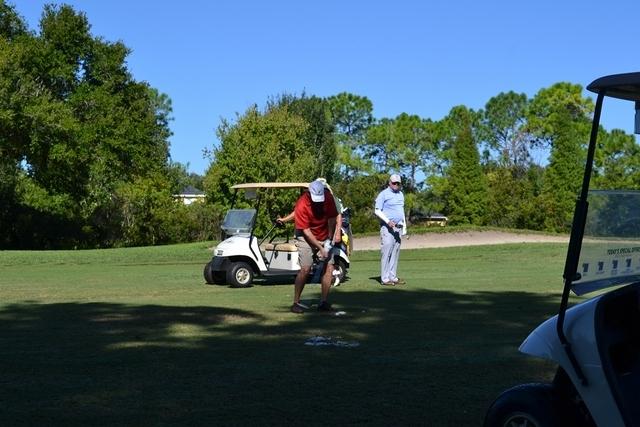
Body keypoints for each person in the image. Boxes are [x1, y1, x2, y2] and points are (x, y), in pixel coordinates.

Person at [290, 179, 341, 313]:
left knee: (329, 267)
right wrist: (320, 247)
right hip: (305, 237)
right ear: (309, 193)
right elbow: (306, 231)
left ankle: (323, 302)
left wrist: (329, 239)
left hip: (324, 234)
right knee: (305, 268)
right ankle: (296, 302)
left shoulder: (328, 197)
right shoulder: (301, 204)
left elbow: (332, 219)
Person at [374, 174, 407, 286]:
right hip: (387, 228)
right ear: (389, 183)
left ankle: (393, 277)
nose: (396, 185)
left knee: (395, 253)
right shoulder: (383, 194)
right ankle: (385, 279)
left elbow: (401, 211)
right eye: (394, 183)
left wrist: (404, 227)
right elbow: (377, 210)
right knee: (386, 252)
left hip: (398, 228)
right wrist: (388, 221)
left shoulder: (401, 195)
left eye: (398, 183)